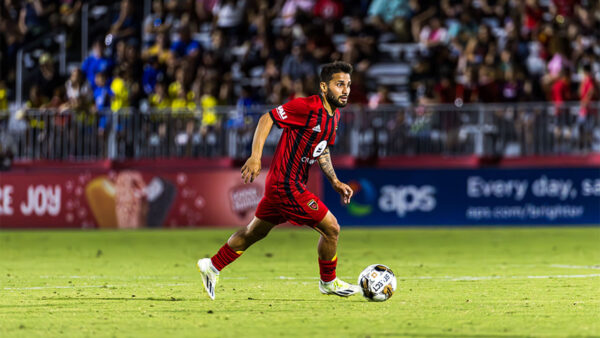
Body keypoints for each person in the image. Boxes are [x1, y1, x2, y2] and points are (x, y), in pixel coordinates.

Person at [197, 61, 359, 299]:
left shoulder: (333, 118)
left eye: (348, 85)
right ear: (324, 87)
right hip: (286, 185)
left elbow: (322, 149)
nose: (345, 90)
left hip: (287, 186)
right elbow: (267, 118)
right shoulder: (307, 107)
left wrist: (334, 180)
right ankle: (329, 282)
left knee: (254, 232)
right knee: (331, 228)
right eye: (339, 84)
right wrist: (255, 156)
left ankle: (211, 266)